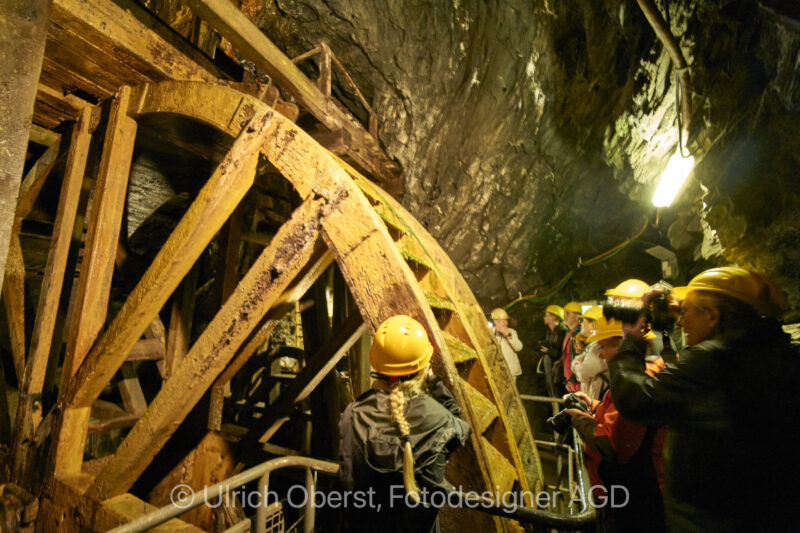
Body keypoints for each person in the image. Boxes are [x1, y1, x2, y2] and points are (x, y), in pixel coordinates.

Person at [609, 266, 800, 531]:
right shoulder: (779, 353)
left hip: (708, 517)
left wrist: (630, 340)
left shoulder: (715, 361)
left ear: (711, 315)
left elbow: (635, 399)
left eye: (686, 312)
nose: (680, 321)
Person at [338, 315, 471, 533]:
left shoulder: (354, 412)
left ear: (377, 366)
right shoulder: (441, 420)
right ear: (423, 368)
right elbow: (461, 428)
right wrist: (434, 382)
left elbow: (345, 482)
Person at [565, 316, 667, 533]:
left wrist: (579, 418)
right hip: (629, 490)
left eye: (604, 346)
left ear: (622, 341)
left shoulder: (639, 382)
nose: (601, 354)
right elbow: (616, 415)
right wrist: (593, 406)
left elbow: (611, 444)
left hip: (629, 496)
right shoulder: (640, 375)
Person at [539, 304, 567, 397]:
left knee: (559, 393)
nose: (544, 318)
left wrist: (548, 351)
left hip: (559, 370)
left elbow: (562, 353)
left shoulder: (562, 332)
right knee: (552, 391)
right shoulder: (549, 333)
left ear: (553, 317)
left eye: (546, 315)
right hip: (551, 369)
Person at [490, 308, 523, 381]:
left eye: (506, 320)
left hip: (511, 371)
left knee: (511, 392)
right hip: (496, 371)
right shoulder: (489, 332)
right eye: (503, 320)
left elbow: (519, 347)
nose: (506, 323)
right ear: (496, 321)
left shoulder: (511, 332)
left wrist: (508, 335)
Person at [561, 301, 583, 392]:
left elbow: (581, 359)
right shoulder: (569, 333)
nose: (564, 315)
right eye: (564, 312)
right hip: (570, 382)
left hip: (577, 384)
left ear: (577, 316)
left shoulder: (579, 334)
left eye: (568, 313)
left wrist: (573, 380)